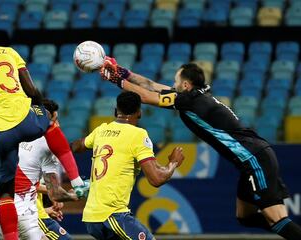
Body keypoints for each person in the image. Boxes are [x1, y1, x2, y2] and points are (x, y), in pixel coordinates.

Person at [100, 60, 301, 239]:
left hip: (253, 158)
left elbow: (144, 96)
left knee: (275, 217)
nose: (173, 85)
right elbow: (152, 85)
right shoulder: (195, 96)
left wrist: (115, 79)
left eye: (176, 81)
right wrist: (124, 72)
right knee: (245, 216)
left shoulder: (188, 101)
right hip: (254, 156)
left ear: (186, 85)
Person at [0, 20, 88, 239]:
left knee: (5, 194)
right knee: (50, 124)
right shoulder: (7, 52)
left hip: (0, 135)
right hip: (26, 120)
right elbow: (31, 89)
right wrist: (41, 109)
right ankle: (78, 181)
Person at [71, 91, 184, 240]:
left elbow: (76, 146)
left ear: (116, 111)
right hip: (112, 214)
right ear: (139, 113)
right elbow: (156, 179)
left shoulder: (101, 130)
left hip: (92, 217)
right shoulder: (138, 135)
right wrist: (174, 162)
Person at [0, 100, 79, 240]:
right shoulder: (47, 144)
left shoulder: (13, 130)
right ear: (49, 119)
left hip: (0, 211)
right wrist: (74, 196)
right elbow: (55, 194)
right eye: (56, 120)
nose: (57, 125)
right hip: (22, 215)